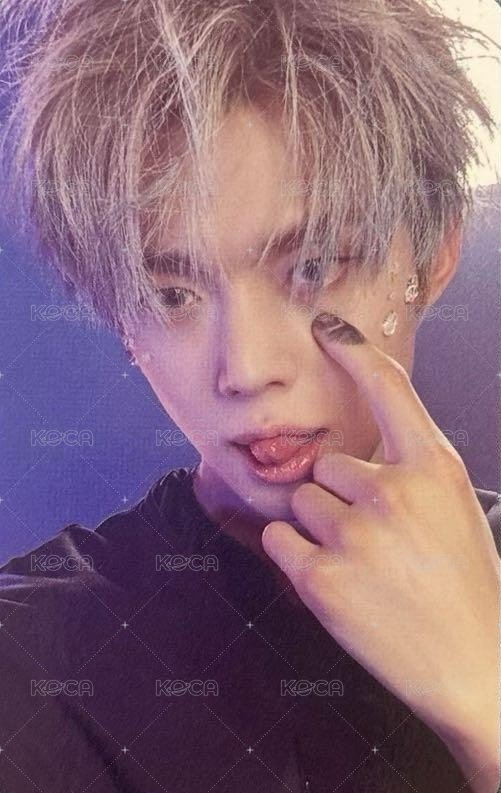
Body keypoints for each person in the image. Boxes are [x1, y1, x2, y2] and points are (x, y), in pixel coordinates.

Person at [0, 1, 499, 791]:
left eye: (312, 267)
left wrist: (484, 693)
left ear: (432, 260)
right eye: (172, 294)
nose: (244, 368)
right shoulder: (32, 652)